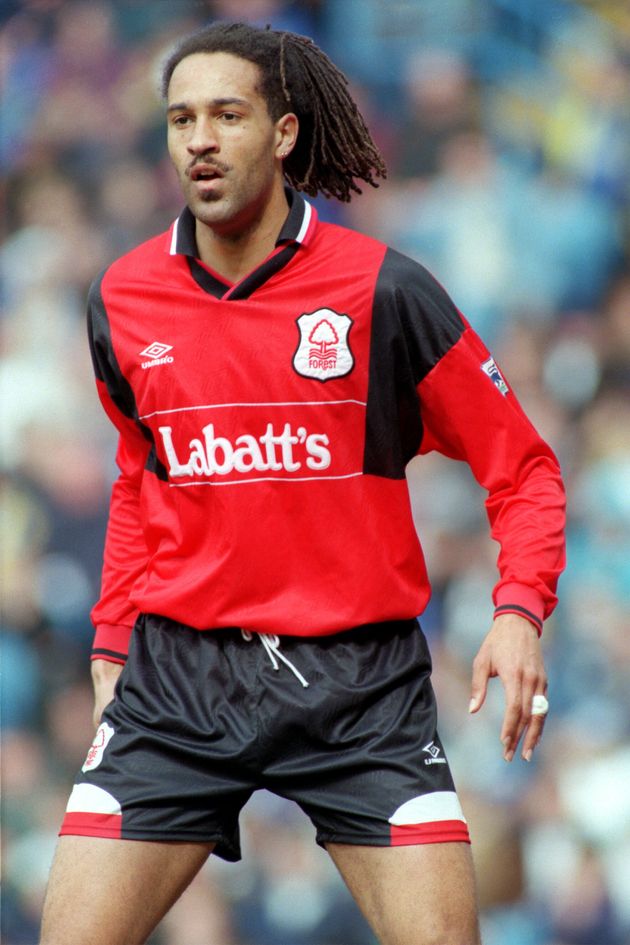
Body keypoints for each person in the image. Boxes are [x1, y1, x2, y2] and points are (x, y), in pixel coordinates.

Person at [39, 21, 566, 945]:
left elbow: (522, 468)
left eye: (227, 114)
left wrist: (518, 611)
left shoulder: (384, 291)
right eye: (180, 119)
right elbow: (140, 480)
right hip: (179, 683)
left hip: (360, 688)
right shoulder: (121, 297)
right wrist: (113, 638)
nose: (199, 138)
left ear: (283, 134)